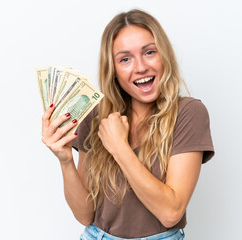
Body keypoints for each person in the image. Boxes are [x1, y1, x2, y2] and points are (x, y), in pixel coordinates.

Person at [41, 9, 214, 240]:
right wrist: (65, 161)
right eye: (125, 59)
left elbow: (171, 213)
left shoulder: (188, 113)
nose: (140, 67)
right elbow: (85, 215)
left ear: (164, 55)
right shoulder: (95, 116)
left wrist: (120, 147)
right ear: (113, 70)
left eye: (149, 52)